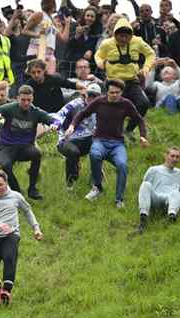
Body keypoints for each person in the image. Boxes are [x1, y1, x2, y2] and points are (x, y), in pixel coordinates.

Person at [66, 79, 148, 208]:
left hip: (117, 144)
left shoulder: (126, 104)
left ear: (121, 92)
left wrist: (143, 136)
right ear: (107, 92)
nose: (114, 95)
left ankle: (119, 199)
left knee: (122, 165)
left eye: (117, 92)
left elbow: (139, 120)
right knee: (94, 154)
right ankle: (97, 187)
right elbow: (83, 113)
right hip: (100, 140)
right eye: (111, 92)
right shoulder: (99, 102)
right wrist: (72, 126)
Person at [0, 169, 44, 306]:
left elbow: (27, 210)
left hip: (10, 235)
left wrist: (36, 228)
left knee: (9, 257)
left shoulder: (16, 196)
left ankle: (6, 291)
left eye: (0, 184)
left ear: (6, 183)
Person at [0, 85, 60, 200]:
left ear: (32, 99)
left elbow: (55, 120)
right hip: (7, 146)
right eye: (23, 100)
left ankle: (32, 189)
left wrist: (55, 125)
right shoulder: (10, 108)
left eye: (28, 100)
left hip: (25, 147)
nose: (26, 103)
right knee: (5, 165)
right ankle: (17, 191)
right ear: (18, 98)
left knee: (37, 153)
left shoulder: (36, 112)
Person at [95, 18, 155, 139]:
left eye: (126, 37)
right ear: (115, 34)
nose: (123, 39)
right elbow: (98, 55)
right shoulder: (107, 43)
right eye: (120, 36)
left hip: (132, 81)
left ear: (131, 35)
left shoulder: (138, 41)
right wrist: (100, 62)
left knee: (143, 104)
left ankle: (129, 130)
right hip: (113, 82)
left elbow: (151, 54)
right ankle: (106, 133)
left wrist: (146, 68)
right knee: (108, 109)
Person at [54, 83, 101, 189]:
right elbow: (60, 114)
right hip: (68, 139)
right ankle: (70, 184)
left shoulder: (101, 107)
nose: (91, 98)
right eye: (90, 95)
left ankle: (95, 182)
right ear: (85, 94)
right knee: (73, 152)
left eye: (95, 96)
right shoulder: (76, 103)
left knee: (101, 147)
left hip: (88, 139)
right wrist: (56, 124)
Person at [135, 146, 180, 234]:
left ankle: (171, 217)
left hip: (170, 202)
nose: (175, 159)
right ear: (166, 156)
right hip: (155, 199)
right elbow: (144, 190)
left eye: (177, 157)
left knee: (176, 192)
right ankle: (143, 220)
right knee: (145, 184)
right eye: (172, 156)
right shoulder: (153, 170)